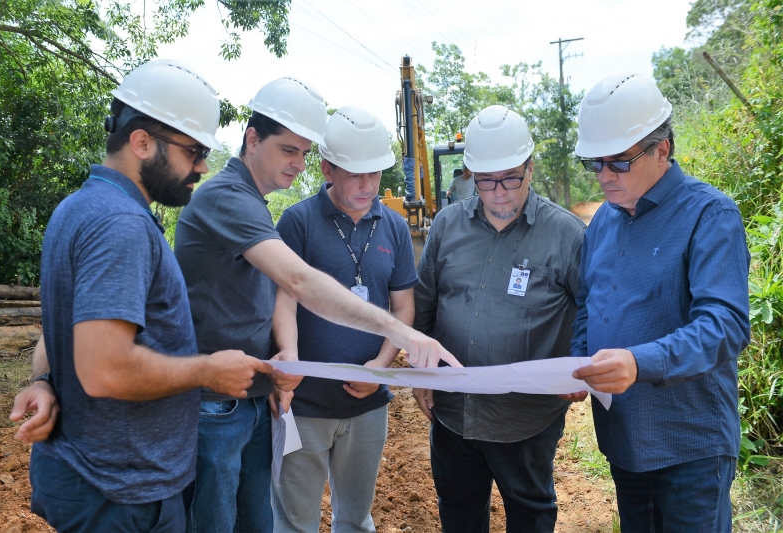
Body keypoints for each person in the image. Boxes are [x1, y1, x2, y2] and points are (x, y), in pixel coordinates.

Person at [174, 79, 460, 533]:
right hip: (218, 401)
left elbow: (263, 297)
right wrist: (404, 335)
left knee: (256, 518)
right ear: (252, 139)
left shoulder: (254, 203)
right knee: (225, 520)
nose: (297, 163)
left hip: (248, 394)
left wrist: (291, 356)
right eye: (289, 150)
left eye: (302, 153)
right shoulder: (233, 200)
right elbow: (297, 283)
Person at [8, 59, 273, 533]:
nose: (202, 167)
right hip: (120, 491)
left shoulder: (81, 207)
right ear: (142, 142)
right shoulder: (121, 226)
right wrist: (207, 369)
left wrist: (46, 378)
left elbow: (69, 324)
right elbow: (105, 367)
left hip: (98, 476)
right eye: (193, 151)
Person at [568, 71, 751, 533]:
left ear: (662, 149)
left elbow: (724, 325)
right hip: (625, 440)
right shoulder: (603, 224)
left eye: (618, 163)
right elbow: (589, 305)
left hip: (689, 444)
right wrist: (577, 361)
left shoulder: (709, 215)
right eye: (595, 164)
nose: (605, 176)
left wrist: (638, 361)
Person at [412, 105, 586, 532]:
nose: (499, 192)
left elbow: (592, 311)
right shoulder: (447, 226)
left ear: (530, 167)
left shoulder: (565, 234)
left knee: (530, 513)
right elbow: (425, 305)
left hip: (525, 418)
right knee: (458, 509)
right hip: (454, 413)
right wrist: (420, 372)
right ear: (471, 174)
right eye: (486, 181)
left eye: (510, 177)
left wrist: (580, 367)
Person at [271, 106, 416, 532]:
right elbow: (285, 301)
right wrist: (291, 364)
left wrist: (381, 366)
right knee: (295, 522)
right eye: (355, 174)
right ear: (327, 168)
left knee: (355, 518)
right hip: (305, 405)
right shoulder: (297, 222)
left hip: (367, 406)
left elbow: (403, 307)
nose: (367, 185)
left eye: (375, 173)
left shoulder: (394, 227)